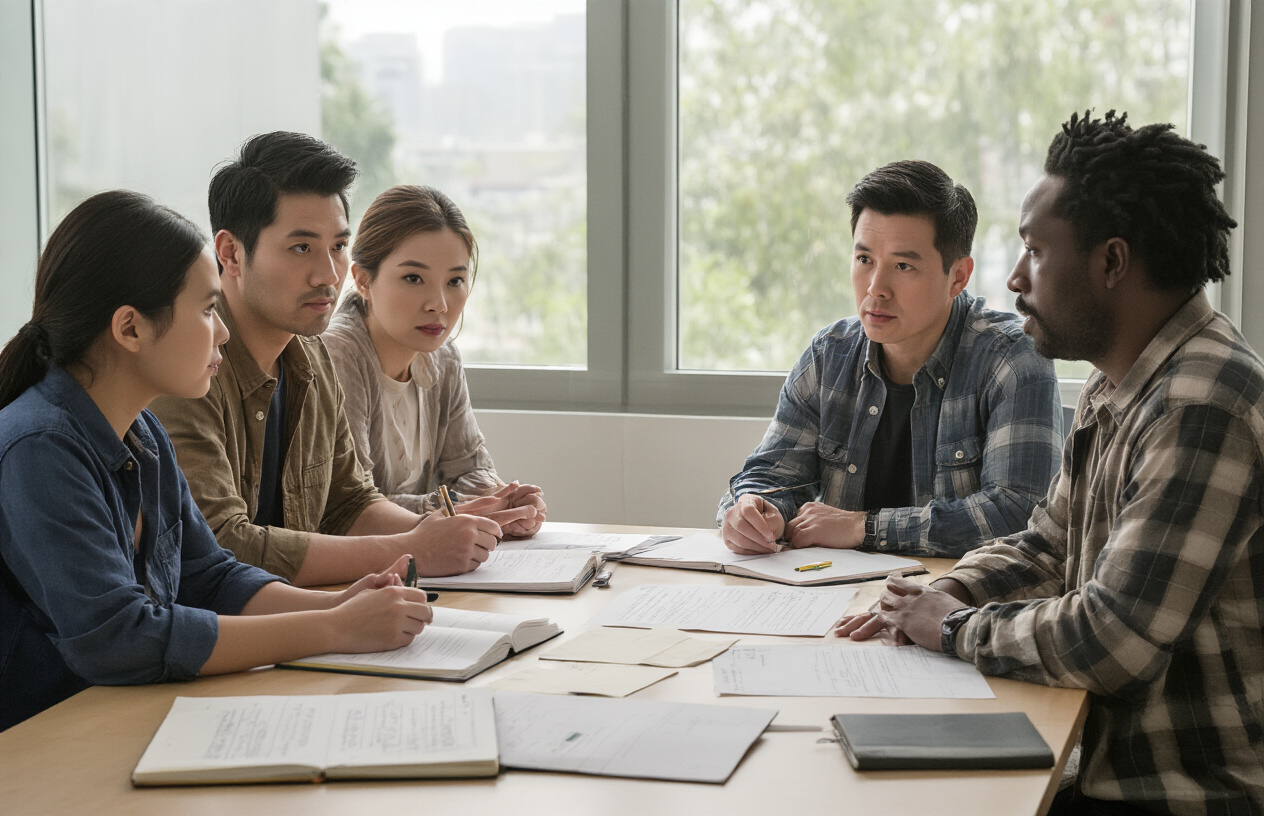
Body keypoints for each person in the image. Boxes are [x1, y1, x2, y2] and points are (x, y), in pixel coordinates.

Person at [839, 111, 1263, 814]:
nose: (1011, 279)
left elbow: (1113, 638)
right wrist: (944, 595)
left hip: (1180, 793)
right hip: (1100, 764)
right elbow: (1050, 542)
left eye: (1034, 251)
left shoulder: (1203, 403)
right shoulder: (1119, 378)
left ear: (1111, 262)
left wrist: (948, 628)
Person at [0, 191, 434, 731]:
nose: (223, 331)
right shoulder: (39, 447)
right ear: (130, 328)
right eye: (207, 310)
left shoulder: (143, 434)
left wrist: (336, 605)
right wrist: (335, 630)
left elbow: (209, 576)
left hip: (116, 720)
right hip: (39, 748)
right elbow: (120, 639)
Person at [151, 132, 533, 587]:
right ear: (231, 253)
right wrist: (411, 548)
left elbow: (350, 503)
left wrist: (446, 532)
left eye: (337, 246)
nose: (329, 274)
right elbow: (219, 545)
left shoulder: (310, 353)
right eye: (301, 248)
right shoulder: (185, 362)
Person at [719, 160, 1062, 558]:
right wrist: (756, 509)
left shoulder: (1012, 358)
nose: (876, 289)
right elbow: (770, 475)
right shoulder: (829, 355)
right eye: (864, 260)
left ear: (958, 277)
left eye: (903, 266)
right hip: (834, 599)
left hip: (955, 604)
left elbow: (1018, 514)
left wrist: (862, 527)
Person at [322, 185, 546, 534]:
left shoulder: (443, 357)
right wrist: (457, 510)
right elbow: (351, 508)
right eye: (414, 278)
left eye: (455, 280)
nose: (439, 304)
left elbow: (469, 469)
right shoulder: (337, 356)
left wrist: (506, 501)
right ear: (363, 280)